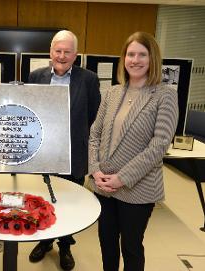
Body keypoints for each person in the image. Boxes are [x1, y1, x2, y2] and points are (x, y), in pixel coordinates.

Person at [88, 31, 179, 271]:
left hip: (138, 188)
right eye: (130, 54)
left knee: (131, 247)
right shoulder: (112, 92)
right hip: (104, 185)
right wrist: (95, 170)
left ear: (153, 59)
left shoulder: (165, 96)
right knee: (107, 242)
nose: (135, 60)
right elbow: (95, 133)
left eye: (142, 54)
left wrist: (122, 178)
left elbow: (159, 145)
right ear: (123, 58)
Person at [27, 30, 101, 271]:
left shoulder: (88, 79)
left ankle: (65, 246)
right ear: (50, 52)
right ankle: (45, 241)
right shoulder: (36, 76)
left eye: (67, 51)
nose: (61, 56)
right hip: (42, 153)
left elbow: (94, 117)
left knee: (69, 202)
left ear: (75, 54)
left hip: (74, 154)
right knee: (43, 198)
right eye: (57, 51)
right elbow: (28, 111)